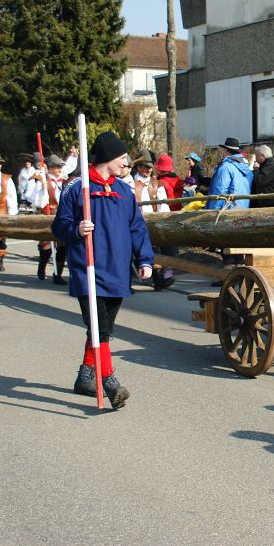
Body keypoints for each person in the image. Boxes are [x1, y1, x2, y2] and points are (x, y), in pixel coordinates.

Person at [52, 132, 153, 410]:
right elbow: (59, 226)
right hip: (89, 270)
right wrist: (75, 229)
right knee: (99, 327)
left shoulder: (123, 191)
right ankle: (108, 380)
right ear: (108, 157)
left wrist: (144, 260)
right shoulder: (76, 189)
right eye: (122, 158)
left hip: (117, 272)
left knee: (102, 330)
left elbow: (137, 228)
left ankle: (85, 377)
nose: (126, 164)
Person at [135, 155, 175, 290]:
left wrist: (162, 220)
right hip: (137, 221)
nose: (148, 170)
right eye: (145, 167)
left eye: (150, 167)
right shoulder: (132, 183)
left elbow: (163, 204)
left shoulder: (157, 184)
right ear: (138, 167)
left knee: (166, 245)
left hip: (155, 220)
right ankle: (156, 276)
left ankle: (163, 276)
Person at [31, 155, 68, 285]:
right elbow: (36, 201)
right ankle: (42, 265)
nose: (59, 169)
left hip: (62, 216)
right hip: (48, 215)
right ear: (51, 168)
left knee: (62, 247)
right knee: (46, 246)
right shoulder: (44, 181)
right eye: (57, 167)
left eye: (60, 166)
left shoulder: (65, 182)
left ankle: (58, 274)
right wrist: (42, 188)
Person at [206, 137, 253, 210]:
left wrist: (213, 211)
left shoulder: (226, 167)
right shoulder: (248, 170)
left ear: (226, 151)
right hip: (243, 209)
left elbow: (220, 191)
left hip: (227, 211)